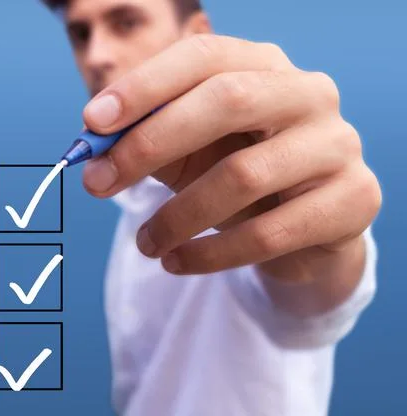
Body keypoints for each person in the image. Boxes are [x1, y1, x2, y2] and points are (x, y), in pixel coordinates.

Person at [39, 0, 382, 414]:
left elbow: (309, 290)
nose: (97, 56)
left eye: (126, 22)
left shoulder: (260, 168)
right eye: (80, 34)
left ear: (196, 34)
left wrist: (316, 249)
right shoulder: (133, 199)